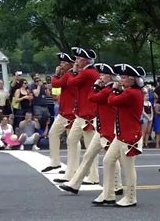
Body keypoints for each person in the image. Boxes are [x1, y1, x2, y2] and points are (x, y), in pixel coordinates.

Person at [60, 63, 123, 197]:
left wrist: (95, 87)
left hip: (107, 129)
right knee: (88, 155)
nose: (100, 77)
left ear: (110, 77)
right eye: (100, 74)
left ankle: (117, 185)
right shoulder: (106, 89)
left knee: (110, 158)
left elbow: (92, 97)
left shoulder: (108, 90)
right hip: (101, 128)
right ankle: (74, 184)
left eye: (104, 75)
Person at [98, 63, 145, 207]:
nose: (121, 80)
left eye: (124, 77)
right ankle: (108, 194)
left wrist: (113, 89)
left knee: (128, 168)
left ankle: (131, 198)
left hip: (129, 135)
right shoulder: (129, 91)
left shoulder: (132, 93)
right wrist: (118, 90)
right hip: (121, 134)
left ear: (132, 79)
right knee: (107, 161)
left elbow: (112, 101)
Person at [54, 47, 99, 184]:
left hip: (88, 114)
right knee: (72, 140)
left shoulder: (88, 73)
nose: (77, 61)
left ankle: (93, 177)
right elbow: (59, 85)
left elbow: (71, 82)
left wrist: (73, 71)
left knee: (90, 146)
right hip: (81, 113)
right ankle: (71, 172)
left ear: (86, 61)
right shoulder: (86, 72)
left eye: (79, 59)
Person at [41, 52, 78, 173]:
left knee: (72, 140)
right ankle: (55, 162)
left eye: (63, 63)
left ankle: (73, 167)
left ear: (69, 64)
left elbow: (56, 83)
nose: (60, 65)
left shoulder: (70, 74)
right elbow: (56, 92)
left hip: (71, 112)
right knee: (53, 134)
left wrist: (56, 74)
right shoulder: (66, 74)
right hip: (64, 110)